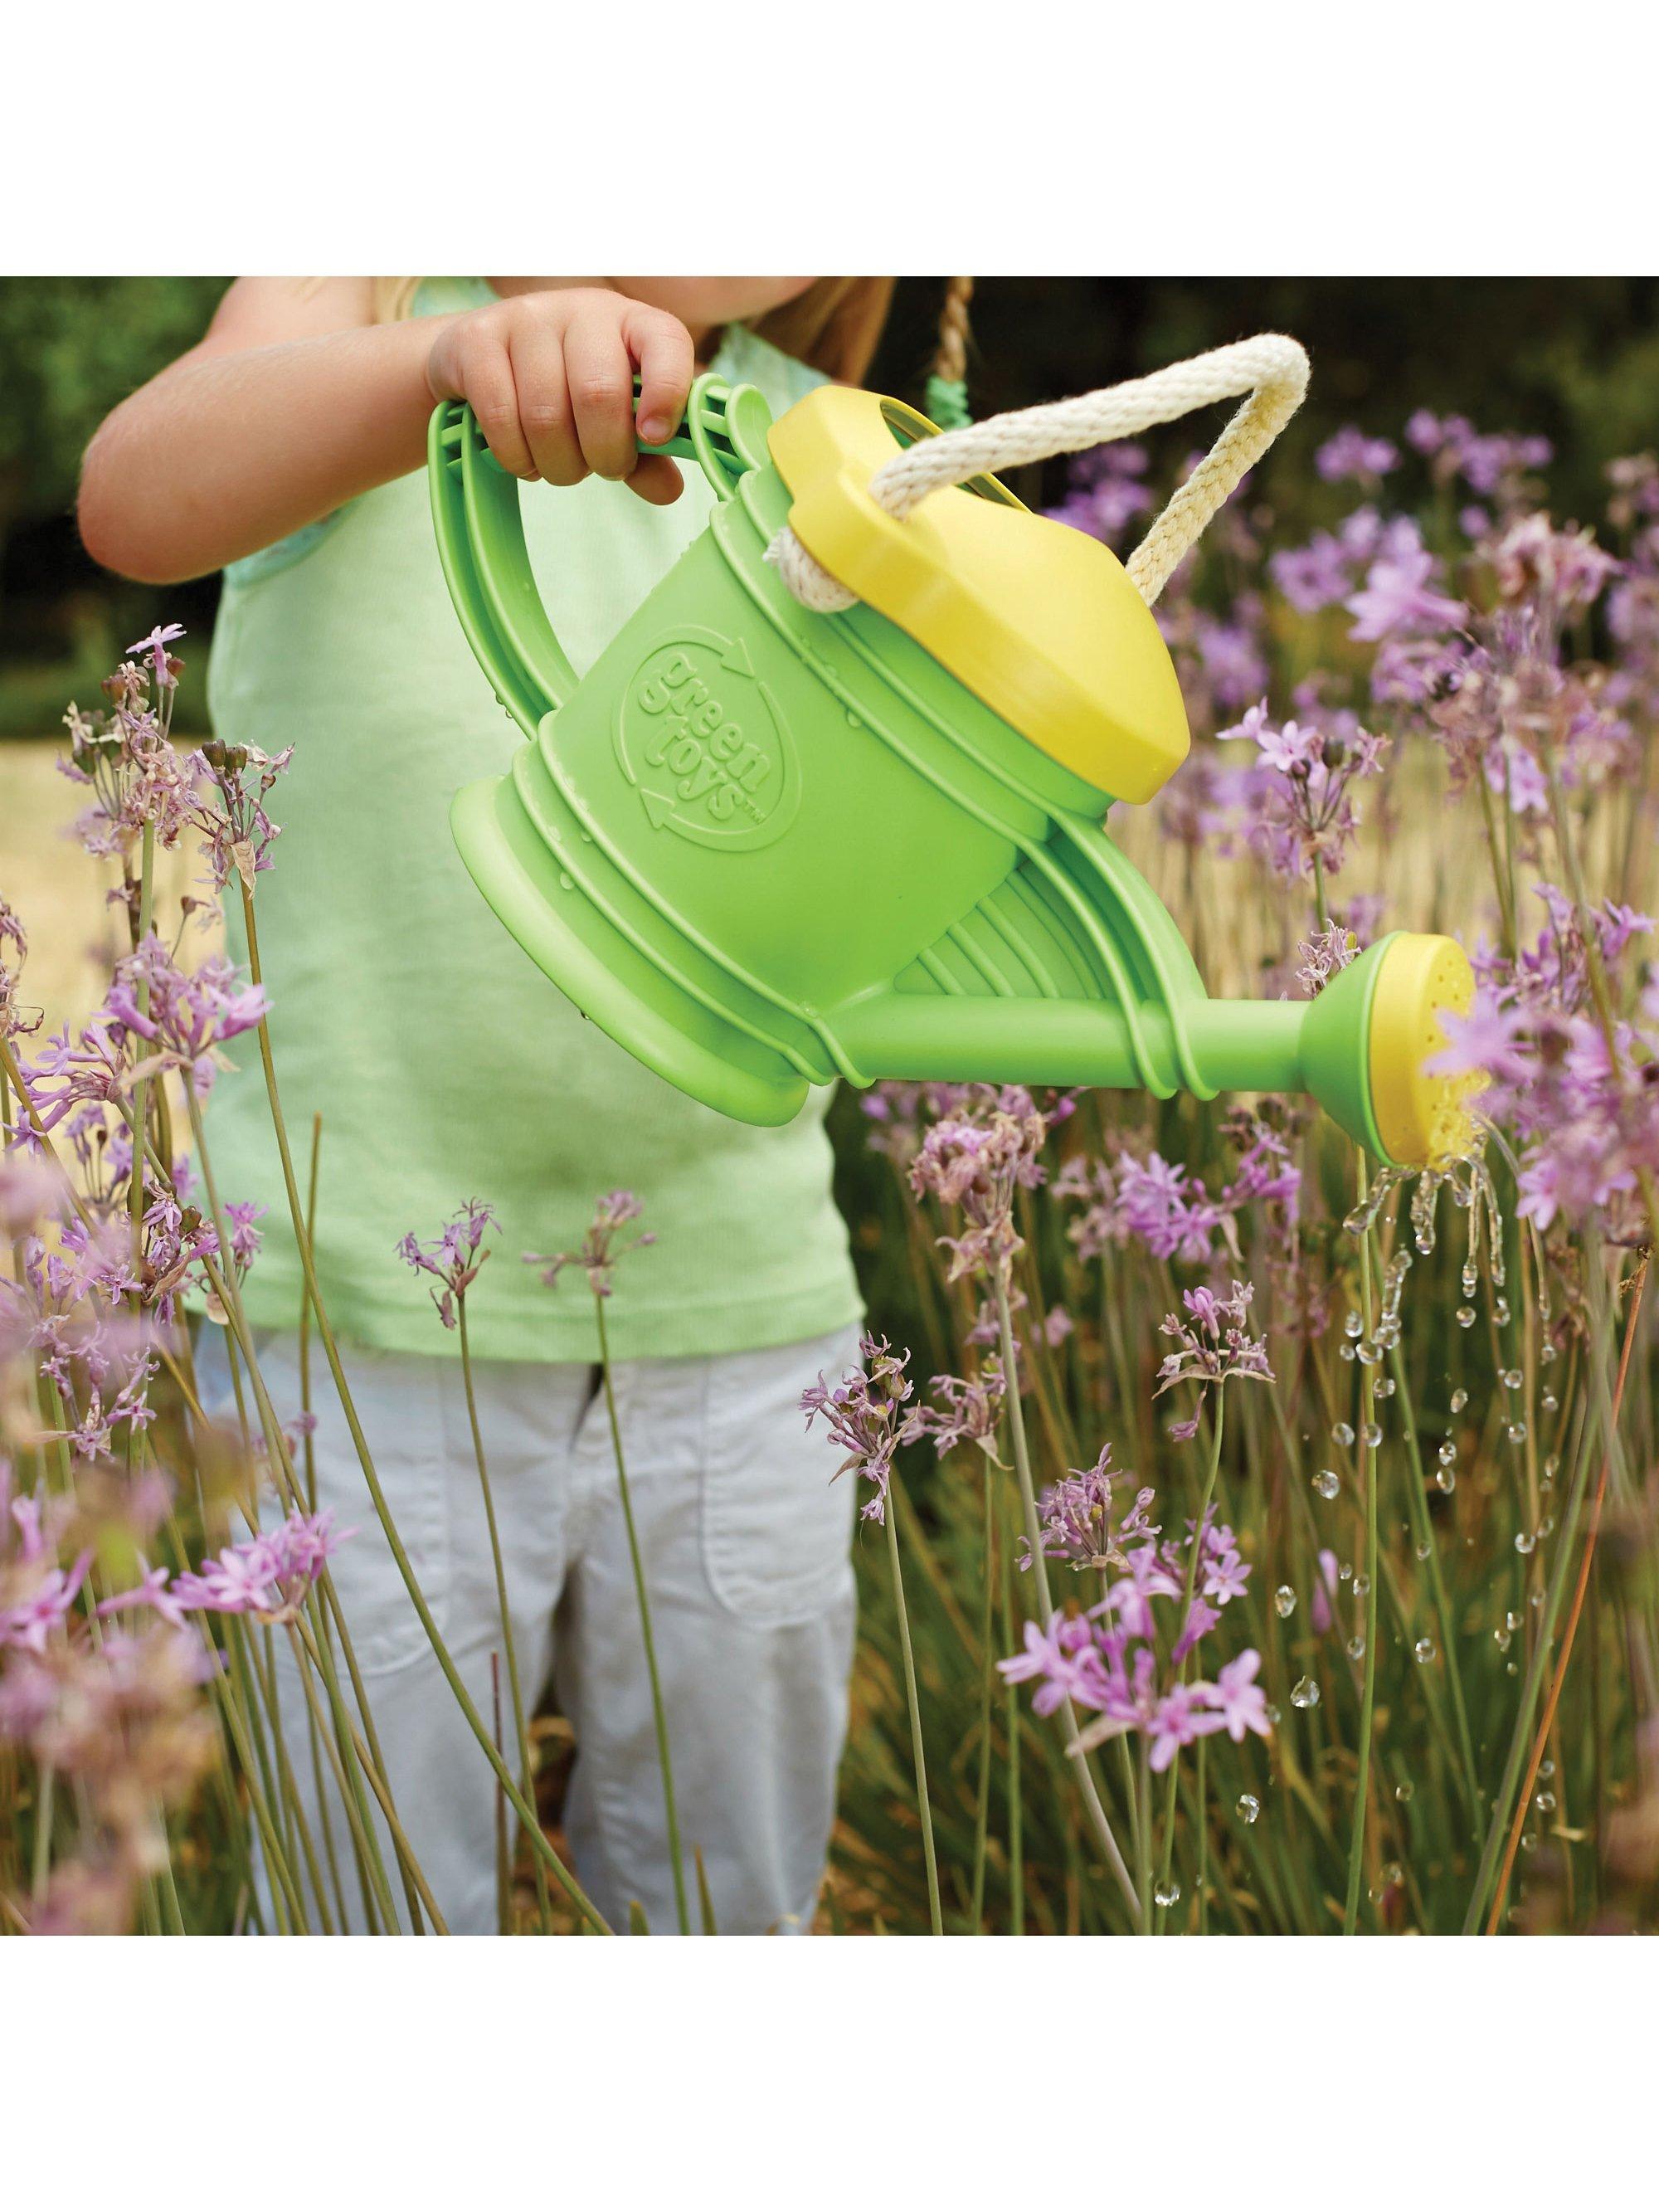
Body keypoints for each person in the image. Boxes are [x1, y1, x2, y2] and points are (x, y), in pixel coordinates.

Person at [79, 276, 898, 1933]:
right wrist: (440, 366)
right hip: (367, 1327)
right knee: (361, 1918)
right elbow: (135, 493)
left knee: (731, 1915)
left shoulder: (853, 454)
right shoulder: (377, 272)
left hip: (743, 1311)